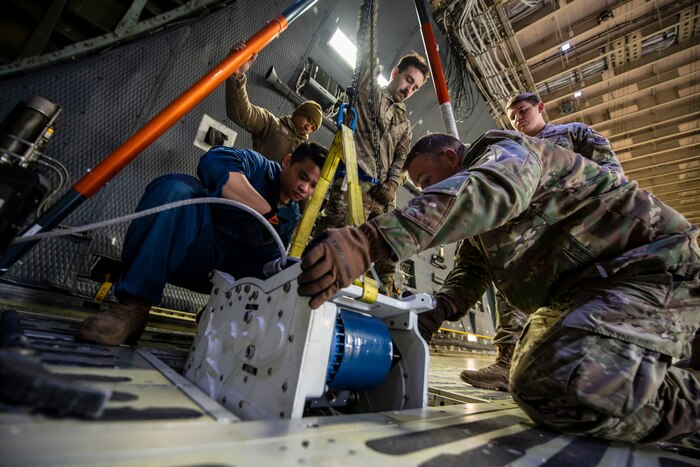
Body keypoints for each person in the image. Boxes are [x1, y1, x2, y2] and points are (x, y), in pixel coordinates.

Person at [297, 130, 699, 443]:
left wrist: (372, 239)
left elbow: (494, 188)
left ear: (452, 157)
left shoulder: (509, 152)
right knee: (532, 382)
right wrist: (433, 312)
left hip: (651, 265)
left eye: (426, 180)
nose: (425, 191)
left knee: (569, 380)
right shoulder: (480, 232)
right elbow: (470, 274)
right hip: (589, 290)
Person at [422, 91, 626, 392]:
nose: (518, 118)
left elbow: (613, 178)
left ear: (540, 107)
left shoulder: (573, 134)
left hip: (580, 239)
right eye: (513, 114)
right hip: (532, 245)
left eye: (523, 110)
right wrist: (442, 307)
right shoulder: (507, 155)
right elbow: (473, 264)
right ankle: (507, 360)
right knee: (508, 262)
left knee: (600, 370)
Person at [75, 142, 328, 346]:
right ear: (287, 162)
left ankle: (218, 320)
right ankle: (133, 308)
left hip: (222, 279)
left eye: (313, 186)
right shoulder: (258, 166)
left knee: (278, 266)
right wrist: (265, 211)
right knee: (175, 190)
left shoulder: (293, 217)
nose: (303, 188)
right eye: (301, 176)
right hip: (189, 250)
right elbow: (213, 161)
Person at [315, 0, 430, 296]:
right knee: (332, 249)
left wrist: (393, 184)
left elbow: (401, 158)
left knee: (389, 261)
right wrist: (371, 7)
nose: (409, 89)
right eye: (408, 80)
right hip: (352, 187)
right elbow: (367, 52)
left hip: (382, 200)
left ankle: (387, 309)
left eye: (415, 87)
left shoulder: (404, 124)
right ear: (395, 72)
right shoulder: (368, 94)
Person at [225, 42, 323, 164]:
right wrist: (238, 75)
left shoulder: (306, 154)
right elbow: (243, 113)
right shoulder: (271, 124)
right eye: (308, 119)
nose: (308, 127)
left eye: (313, 128)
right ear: (298, 113)